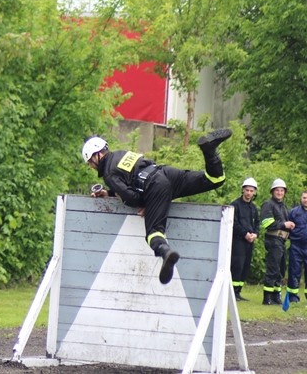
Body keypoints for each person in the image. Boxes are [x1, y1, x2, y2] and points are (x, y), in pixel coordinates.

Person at [82, 128, 232, 285]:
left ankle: (167, 254)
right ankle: (210, 151)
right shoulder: (120, 154)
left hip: (155, 187)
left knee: (154, 234)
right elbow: (132, 178)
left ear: (95, 156)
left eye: (90, 163)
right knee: (214, 179)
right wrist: (109, 193)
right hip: (165, 173)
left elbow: (130, 197)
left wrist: (148, 203)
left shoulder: (108, 174)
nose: (91, 166)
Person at [260, 178, 295, 305]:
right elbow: (266, 223)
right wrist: (284, 224)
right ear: (272, 191)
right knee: (273, 268)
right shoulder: (268, 204)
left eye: (282, 190)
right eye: (277, 190)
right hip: (273, 239)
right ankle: (267, 297)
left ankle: (276, 296)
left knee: (281, 269)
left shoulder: (283, 206)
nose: (280, 192)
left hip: (281, 241)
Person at [229, 178, 260, 301]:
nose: (248, 193)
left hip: (249, 241)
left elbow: (257, 223)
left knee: (245, 266)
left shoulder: (253, 208)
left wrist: (255, 234)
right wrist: (245, 234)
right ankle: (232, 293)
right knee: (237, 265)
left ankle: (238, 292)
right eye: (246, 190)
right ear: (243, 190)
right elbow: (234, 223)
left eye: (251, 191)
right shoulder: (234, 205)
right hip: (238, 240)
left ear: (254, 192)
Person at [285, 190, 307, 304]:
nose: (306, 200)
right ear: (301, 198)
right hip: (296, 247)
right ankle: (293, 297)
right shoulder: (293, 212)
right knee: (294, 272)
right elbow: (287, 228)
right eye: (304, 197)